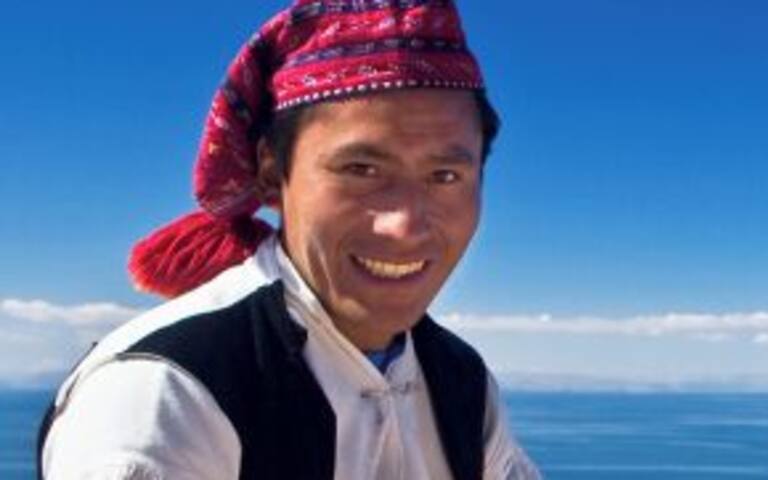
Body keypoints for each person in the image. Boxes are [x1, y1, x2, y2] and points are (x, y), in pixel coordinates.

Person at [37, 1, 540, 478]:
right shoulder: (163, 398)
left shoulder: (459, 380)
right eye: (361, 169)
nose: (405, 224)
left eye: (445, 176)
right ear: (271, 171)